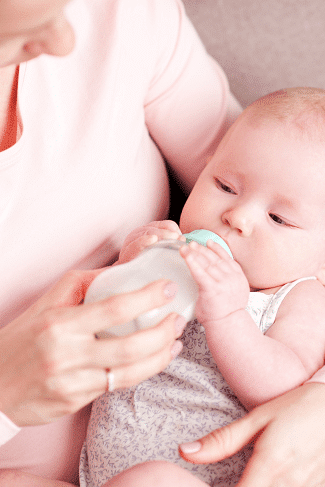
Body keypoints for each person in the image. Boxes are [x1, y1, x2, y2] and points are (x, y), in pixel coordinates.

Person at [0, 0, 243, 486]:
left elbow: (299, 200)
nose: (66, 43)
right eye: (16, 31)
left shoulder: (120, 12)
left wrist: (315, 400)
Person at [80, 87, 325, 487]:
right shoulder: (171, 255)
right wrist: (130, 267)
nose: (237, 216)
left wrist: (228, 317)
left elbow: (281, 392)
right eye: (226, 186)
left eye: (279, 218)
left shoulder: (300, 296)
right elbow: (101, 331)